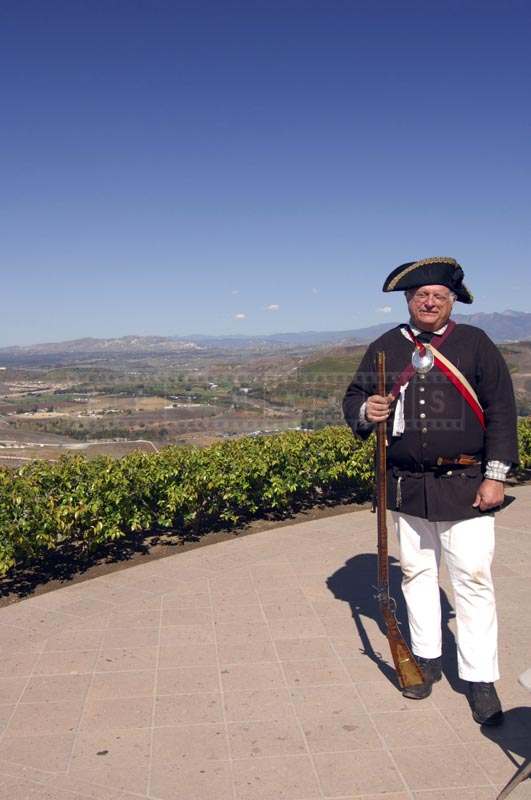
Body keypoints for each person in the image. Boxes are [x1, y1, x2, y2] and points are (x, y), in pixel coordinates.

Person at [342, 257, 518, 726]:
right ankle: (426, 657)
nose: (429, 301)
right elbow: (354, 397)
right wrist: (368, 410)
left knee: (473, 583)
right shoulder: (386, 345)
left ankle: (480, 679)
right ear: (408, 301)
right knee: (417, 575)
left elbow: (502, 410)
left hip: (466, 486)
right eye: (421, 296)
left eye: (439, 295)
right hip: (407, 486)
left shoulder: (476, 344)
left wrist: (496, 475)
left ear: (452, 301)